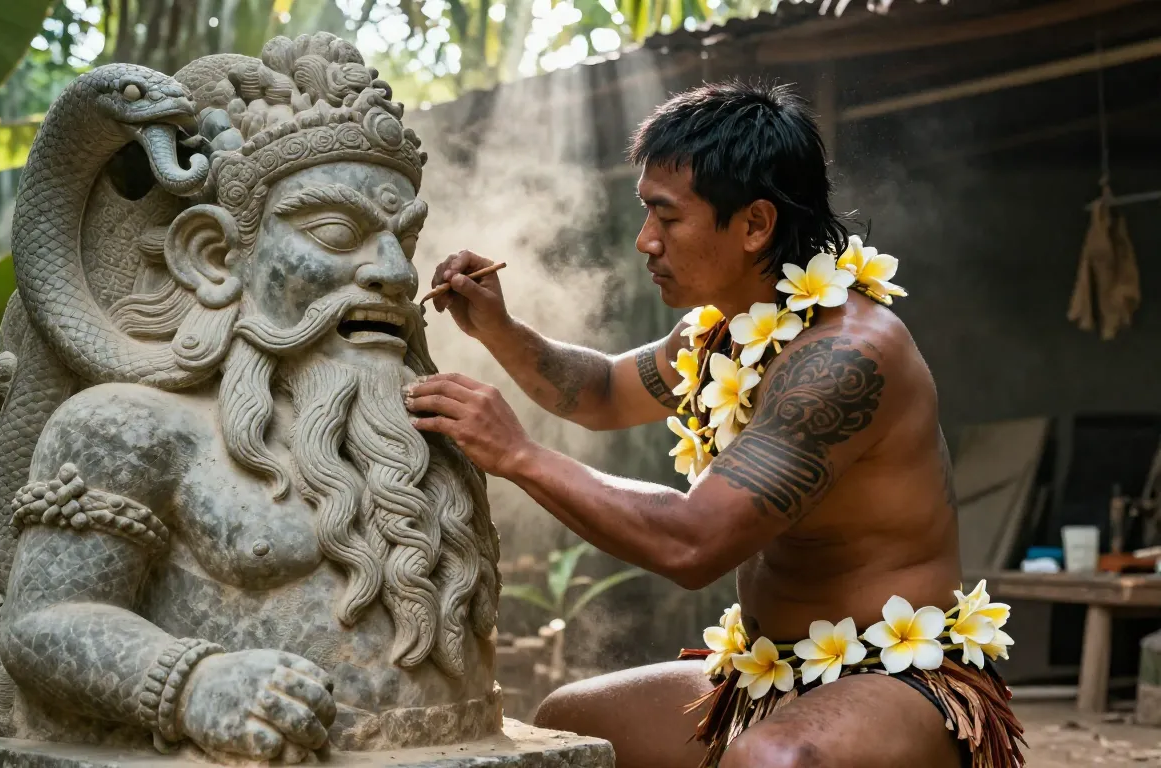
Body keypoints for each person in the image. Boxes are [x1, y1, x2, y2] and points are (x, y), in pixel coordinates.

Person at [403, 81, 1024, 768]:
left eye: (667, 219)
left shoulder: (844, 359)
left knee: (770, 762)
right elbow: (604, 390)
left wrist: (517, 454)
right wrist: (500, 327)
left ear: (755, 224)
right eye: (646, 214)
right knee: (575, 727)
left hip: (896, 680)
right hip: (764, 677)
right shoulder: (720, 335)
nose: (646, 241)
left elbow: (693, 543)